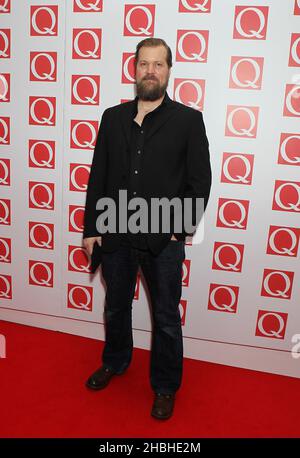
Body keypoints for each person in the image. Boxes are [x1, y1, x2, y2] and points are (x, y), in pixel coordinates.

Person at [83, 37, 212, 420]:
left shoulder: (188, 120)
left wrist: (179, 229)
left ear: (169, 71)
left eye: (158, 64)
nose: (150, 71)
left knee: (167, 318)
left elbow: (199, 181)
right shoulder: (112, 117)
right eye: (144, 64)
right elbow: (98, 176)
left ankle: (166, 385)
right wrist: (92, 228)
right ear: (134, 68)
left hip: (164, 241)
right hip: (116, 233)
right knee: (116, 306)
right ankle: (116, 361)